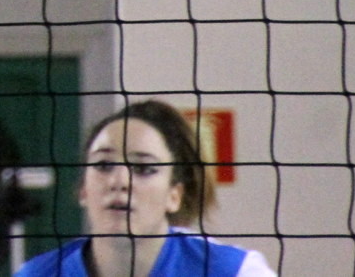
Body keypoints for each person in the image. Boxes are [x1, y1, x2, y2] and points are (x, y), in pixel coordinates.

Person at [16, 99, 277, 277]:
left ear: (174, 196)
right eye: (104, 165)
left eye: (144, 168)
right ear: (84, 188)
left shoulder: (234, 271)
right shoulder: (36, 274)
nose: (120, 181)